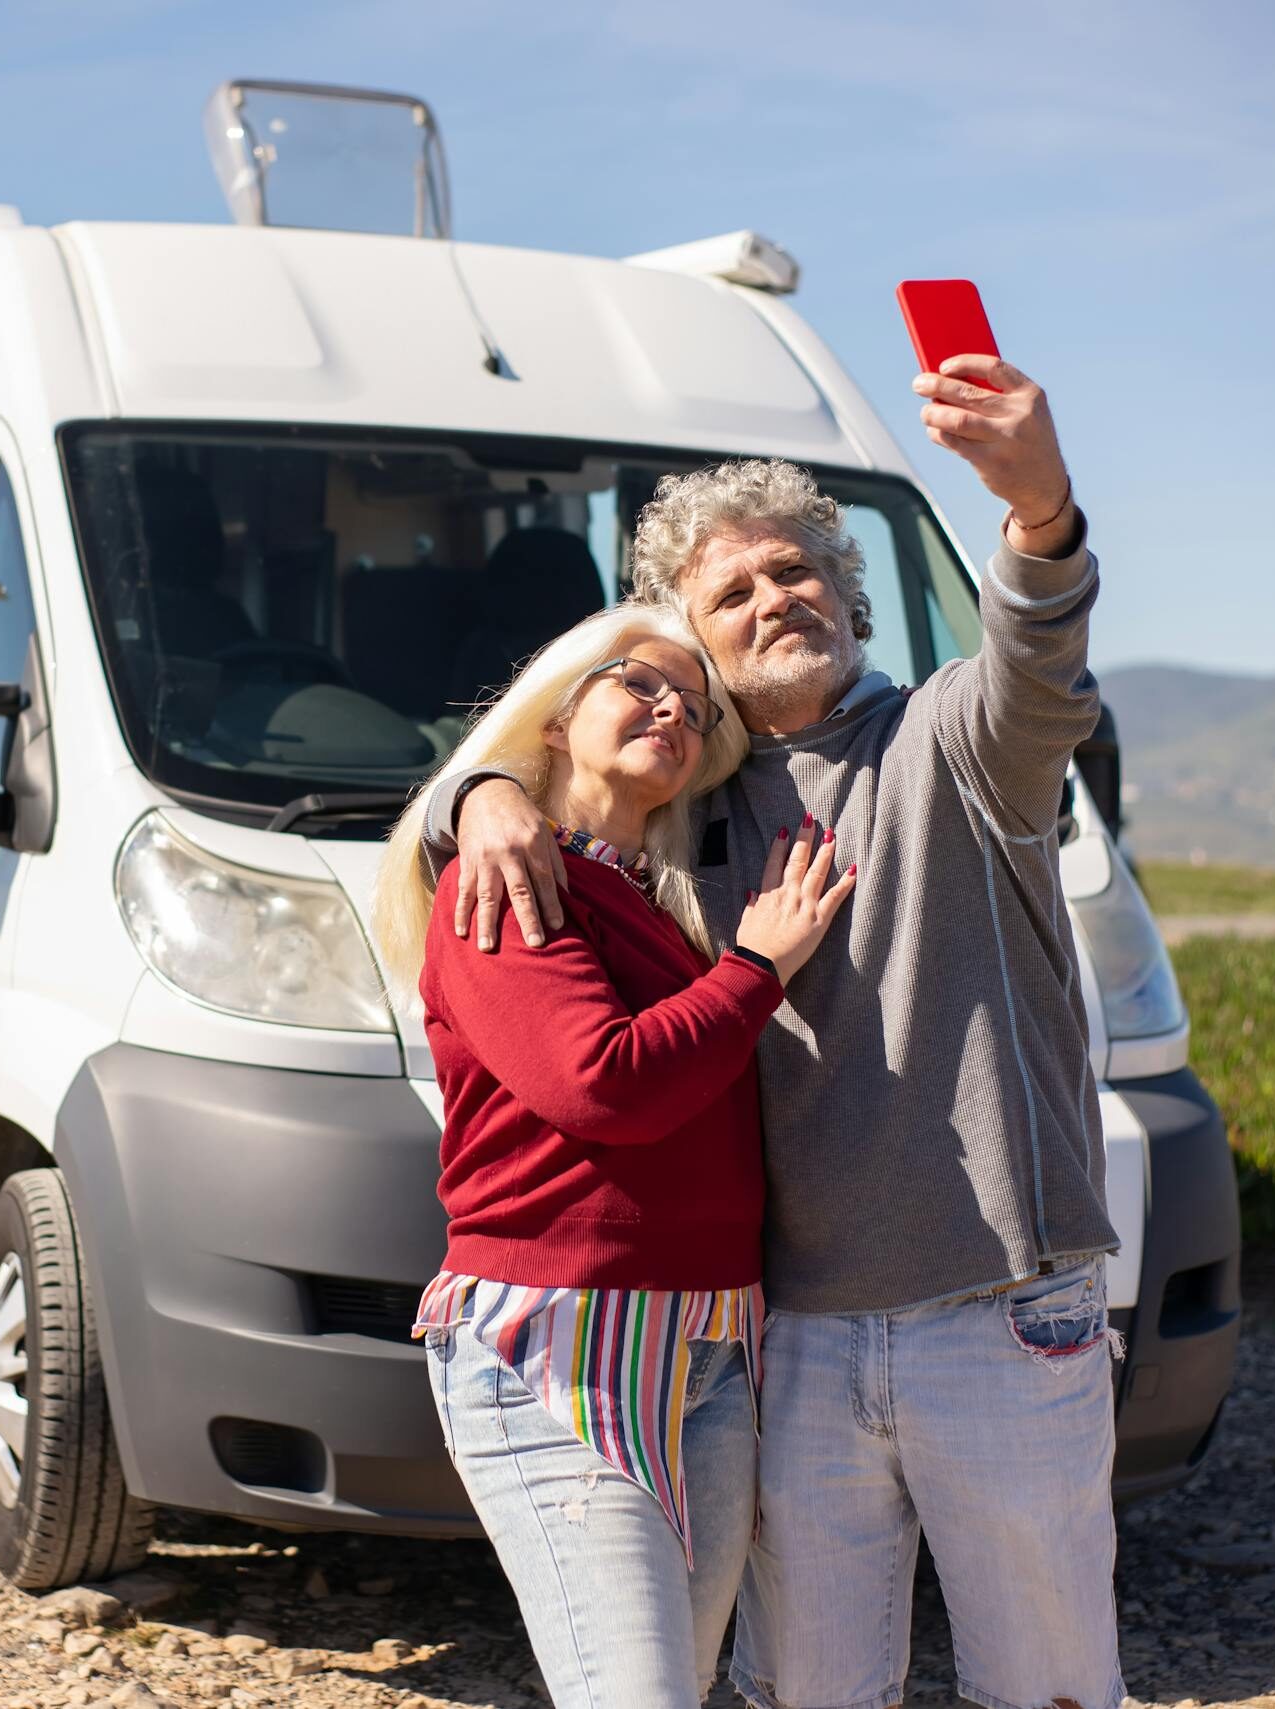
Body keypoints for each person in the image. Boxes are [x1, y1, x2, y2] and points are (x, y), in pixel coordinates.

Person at [422, 355, 1127, 1709]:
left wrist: (1039, 511)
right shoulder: (691, 818)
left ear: (847, 596)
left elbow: (1036, 653)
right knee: (805, 1690)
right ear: (699, 654)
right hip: (784, 1331)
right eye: (728, 595)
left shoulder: (958, 743)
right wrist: (487, 791)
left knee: (1044, 1684)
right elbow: (572, 782)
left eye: (795, 571)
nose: (773, 598)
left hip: (997, 1308)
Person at [371, 602, 857, 1708]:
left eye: (693, 705)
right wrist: (756, 970)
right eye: (640, 683)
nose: (671, 707)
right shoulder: (502, 878)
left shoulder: (662, 905)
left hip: (709, 1343)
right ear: (554, 713)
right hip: (560, 1342)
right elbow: (605, 1084)